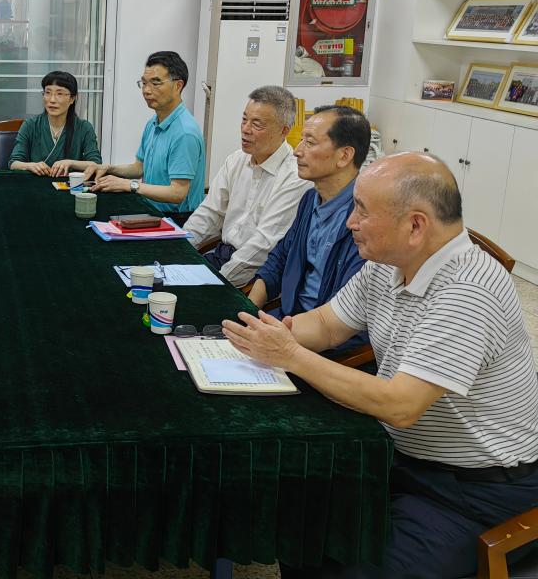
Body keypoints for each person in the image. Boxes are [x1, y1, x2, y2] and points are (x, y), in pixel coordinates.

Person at [222, 152, 538, 579]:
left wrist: (290, 355)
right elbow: (327, 325)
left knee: (350, 568)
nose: (350, 222)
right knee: (299, 523)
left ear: (416, 226)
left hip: (474, 492)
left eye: (362, 211)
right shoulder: (388, 266)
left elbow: (400, 406)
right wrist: (268, 335)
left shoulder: (468, 290)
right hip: (401, 459)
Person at [248, 106, 370, 339]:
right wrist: (248, 309)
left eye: (310, 143)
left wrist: (276, 335)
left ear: (344, 156)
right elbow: (279, 259)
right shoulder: (310, 199)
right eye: (301, 140)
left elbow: (345, 314)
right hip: (286, 321)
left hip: (327, 341)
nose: (297, 151)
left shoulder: (363, 219)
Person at [182, 86, 310, 287]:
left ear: (284, 130)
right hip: (221, 255)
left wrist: (217, 283)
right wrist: (179, 250)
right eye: (244, 120)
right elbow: (209, 213)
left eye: (257, 124)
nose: (245, 129)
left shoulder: (294, 177)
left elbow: (262, 246)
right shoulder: (237, 160)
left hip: (255, 276)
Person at [82, 51, 205, 222]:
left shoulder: (185, 132)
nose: (146, 90)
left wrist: (129, 185)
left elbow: (177, 193)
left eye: (155, 83)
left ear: (178, 86)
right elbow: (139, 168)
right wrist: (109, 169)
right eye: (144, 83)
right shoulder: (153, 122)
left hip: (177, 219)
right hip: (150, 210)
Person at [8, 71, 102, 177]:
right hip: (36, 183)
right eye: (47, 93)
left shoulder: (84, 128)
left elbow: (96, 164)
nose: (52, 100)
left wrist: (70, 163)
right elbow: (14, 163)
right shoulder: (30, 125)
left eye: (59, 94)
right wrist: (31, 166)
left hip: (69, 185)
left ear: (72, 99)